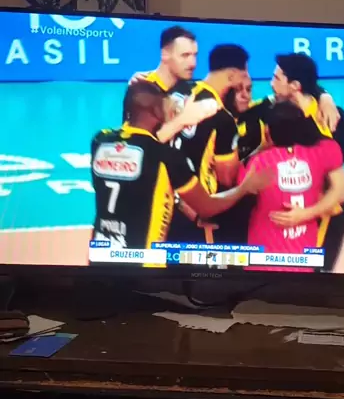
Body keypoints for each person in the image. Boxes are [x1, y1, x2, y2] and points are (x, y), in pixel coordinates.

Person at [90, 82, 269, 263]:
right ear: (157, 111)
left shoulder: (100, 141)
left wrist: (178, 202)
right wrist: (244, 188)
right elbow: (207, 207)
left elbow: (141, 150)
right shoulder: (168, 157)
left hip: (100, 258)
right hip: (143, 266)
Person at [238, 102, 344, 272]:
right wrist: (307, 214)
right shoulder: (323, 151)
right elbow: (340, 191)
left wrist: (260, 149)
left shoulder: (258, 163)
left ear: (268, 132)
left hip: (263, 263)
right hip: (303, 263)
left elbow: (238, 192)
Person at [170, 43, 250, 243]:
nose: (245, 80)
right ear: (232, 75)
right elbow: (227, 177)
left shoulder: (176, 92)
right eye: (243, 74)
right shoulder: (222, 119)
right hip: (197, 212)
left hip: (164, 203)